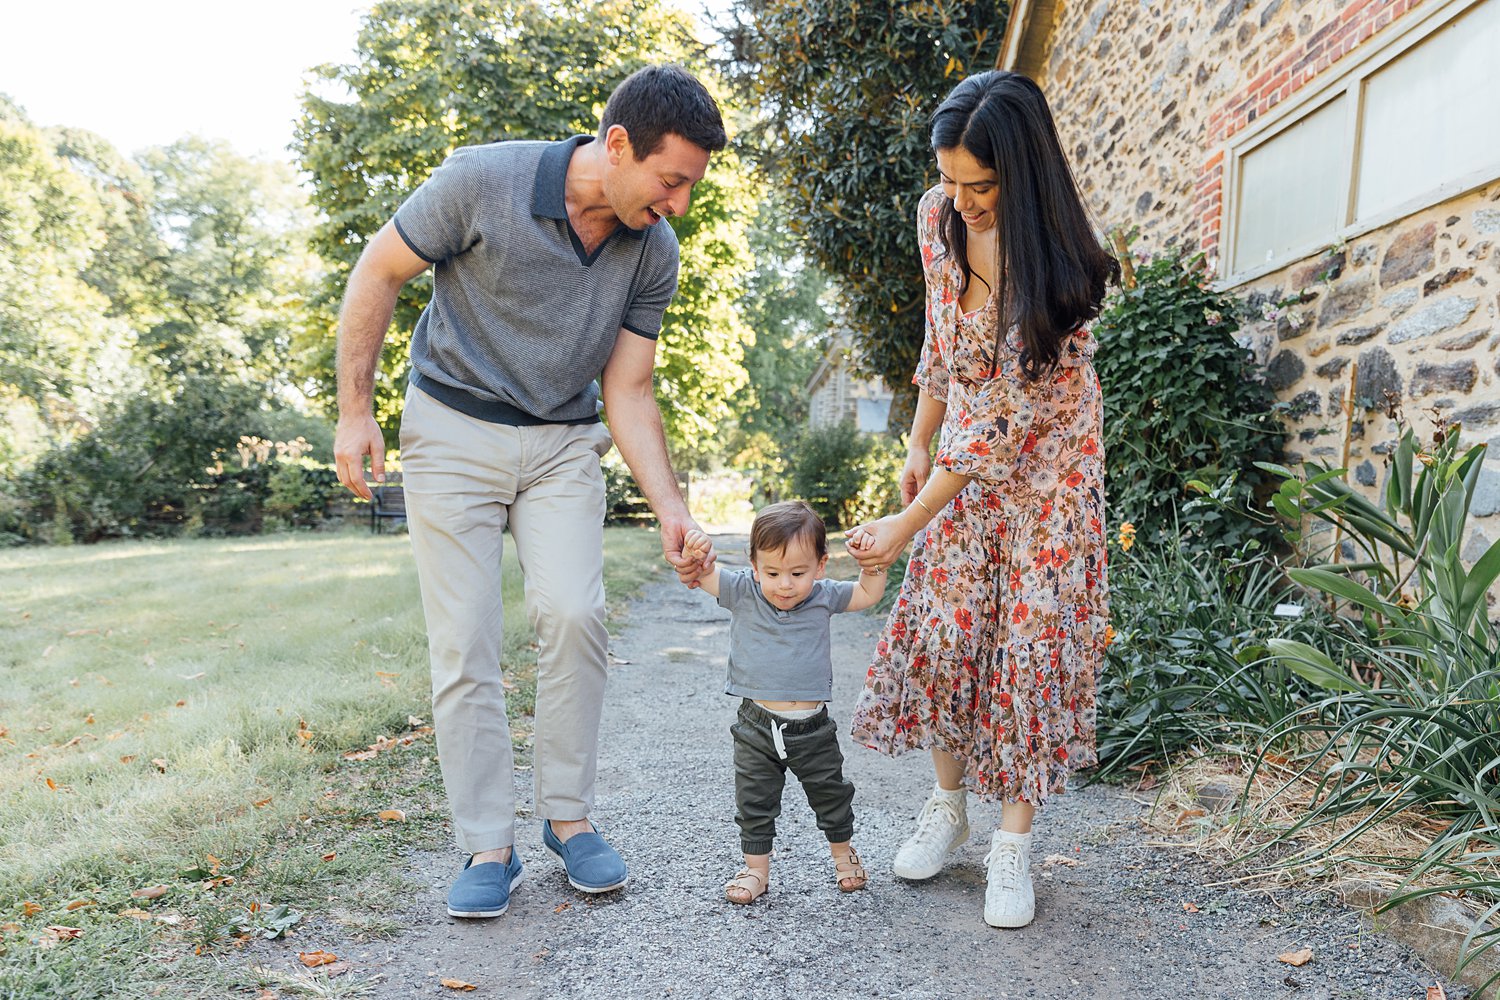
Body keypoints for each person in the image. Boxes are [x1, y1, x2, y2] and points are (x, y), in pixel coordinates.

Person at [332, 65, 726, 920]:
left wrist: (670, 507)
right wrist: (354, 411)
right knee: (465, 640)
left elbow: (628, 389)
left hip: (559, 444)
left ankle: (568, 819)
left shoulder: (652, 249)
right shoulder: (483, 181)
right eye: (672, 180)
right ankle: (487, 844)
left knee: (576, 614)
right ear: (617, 145)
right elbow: (377, 270)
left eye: (689, 187)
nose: (679, 205)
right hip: (453, 430)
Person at [843, 70, 1116, 930]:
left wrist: (904, 524)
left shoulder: (1064, 272)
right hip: (959, 455)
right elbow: (944, 342)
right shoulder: (939, 217)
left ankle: (1011, 844)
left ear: (1024, 177)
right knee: (949, 629)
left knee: (1028, 644)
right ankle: (948, 806)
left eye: (983, 186)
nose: (960, 201)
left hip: (1048, 475)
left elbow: (1005, 421)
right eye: (950, 178)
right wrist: (917, 440)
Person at [680, 501, 887, 905]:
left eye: (798, 573)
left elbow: (867, 594)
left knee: (831, 794)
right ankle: (756, 870)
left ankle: (844, 856)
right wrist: (696, 549)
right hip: (757, 725)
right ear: (754, 566)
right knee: (754, 799)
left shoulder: (824, 596)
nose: (785, 584)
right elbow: (703, 573)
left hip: (812, 727)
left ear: (821, 565)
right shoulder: (743, 590)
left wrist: (871, 565)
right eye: (772, 573)